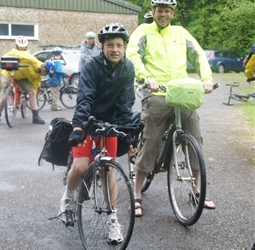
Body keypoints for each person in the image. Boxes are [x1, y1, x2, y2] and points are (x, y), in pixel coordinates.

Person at [127, 0, 216, 217]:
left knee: (195, 135)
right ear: (154, 11)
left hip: (181, 92)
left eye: (167, 11)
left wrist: (206, 78)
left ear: (172, 13)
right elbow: (132, 55)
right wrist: (145, 77)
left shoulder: (181, 32)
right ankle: (137, 192)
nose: (163, 14)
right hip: (156, 92)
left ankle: (196, 190)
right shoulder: (143, 31)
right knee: (151, 140)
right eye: (160, 10)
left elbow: (198, 54)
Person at [58, 23, 136, 243]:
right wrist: (78, 127)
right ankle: (69, 196)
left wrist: (126, 131)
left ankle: (113, 221)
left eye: (119, 45)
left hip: (109, 124)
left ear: (125, 47)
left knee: (107, 171)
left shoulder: (127, 68)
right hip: (88, 122)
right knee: (81, 166)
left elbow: (125, 103)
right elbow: (85, 98)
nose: (114, 49)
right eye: (110, 45)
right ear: (102, 47)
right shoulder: (92, 66)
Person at [0, 35, 47, 125]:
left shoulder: (28, 55)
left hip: (21, 76)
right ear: (16, 45)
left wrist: (42, 67)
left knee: (31, 93)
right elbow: (4, 58)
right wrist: (0, 64)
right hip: (9, 74)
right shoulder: (13, 52)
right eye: (20, 46)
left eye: (23, 46)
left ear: (26, 46)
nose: (22, 47)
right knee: (4, 96)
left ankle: (36, 116)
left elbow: (35, 62)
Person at [46, 47, 67, 111]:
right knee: (55, 93)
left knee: (53, 92)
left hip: (51, 78)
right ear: (60, 54)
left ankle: (54, 104)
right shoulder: (58, 62)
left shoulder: (51, 60)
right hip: (55, 79)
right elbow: (58, 71)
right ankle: (54, 106)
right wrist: (65, 74)